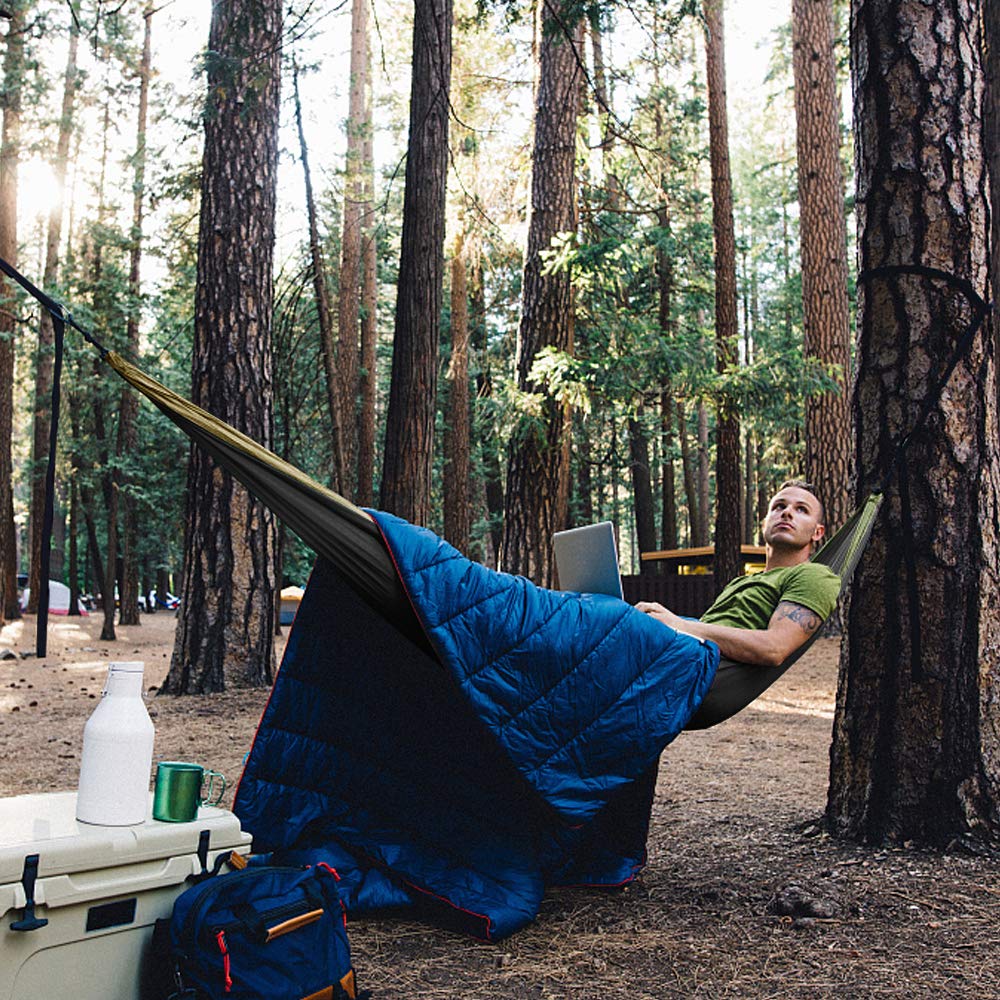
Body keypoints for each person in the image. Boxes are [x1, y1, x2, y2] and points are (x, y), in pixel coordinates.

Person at [636, 481, 840, 667]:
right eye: (779, 506)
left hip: (696, 668)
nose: (787, 513)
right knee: (632, 613)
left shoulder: (814, 576)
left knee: (609, 613)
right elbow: (707, 627)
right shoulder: (742, 582)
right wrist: (663, 619)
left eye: (801, 509)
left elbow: (774, 648)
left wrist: (679, 625)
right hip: (678, 655)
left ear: (817, 532)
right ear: (764, 524)